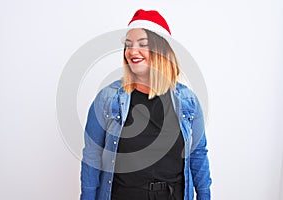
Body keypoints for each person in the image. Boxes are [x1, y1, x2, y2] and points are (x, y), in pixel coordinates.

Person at [80, 9, 212, 200]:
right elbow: (92, 157)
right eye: (128, 45)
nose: (132, 51)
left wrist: (204, 196)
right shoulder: (107, 99)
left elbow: (198, 154)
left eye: (142, 44)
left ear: (162, 51)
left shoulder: (188, 101)